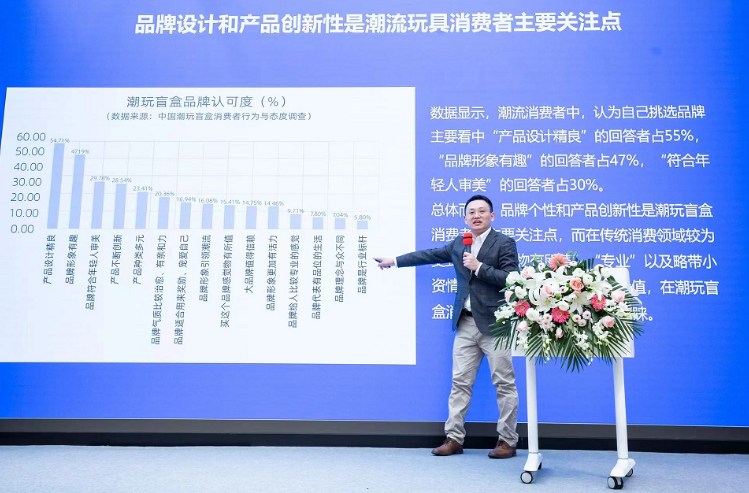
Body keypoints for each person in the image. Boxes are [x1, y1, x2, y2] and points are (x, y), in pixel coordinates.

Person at [374, 194, 519, 458]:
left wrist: (479, 267)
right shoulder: (459, 243)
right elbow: (429, 255)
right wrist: (394, 260)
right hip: (465, 323)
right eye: (471, 212)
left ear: (492, 216)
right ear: (465, 218)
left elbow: (511, 278)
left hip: (495, 325)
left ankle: (507, 441)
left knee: (504, 383)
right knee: (460, 382)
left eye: (482, 211)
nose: (476, 216)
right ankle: (454, 438)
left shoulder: (504, 243)